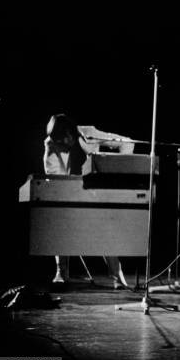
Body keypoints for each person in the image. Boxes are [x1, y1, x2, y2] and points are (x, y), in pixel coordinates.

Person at [43, 113, 134, 289]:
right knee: (59, 220)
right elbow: (55, 179)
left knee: (105, 227)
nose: (63, 145)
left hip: (97, 193)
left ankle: (116, 275)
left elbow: (128, 143)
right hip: (69, 196)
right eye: (60, 142)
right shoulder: (51, 146)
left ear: (71, 133)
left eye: (65, 140)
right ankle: (61, 272)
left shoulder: (88, 133)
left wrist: (111, 168)